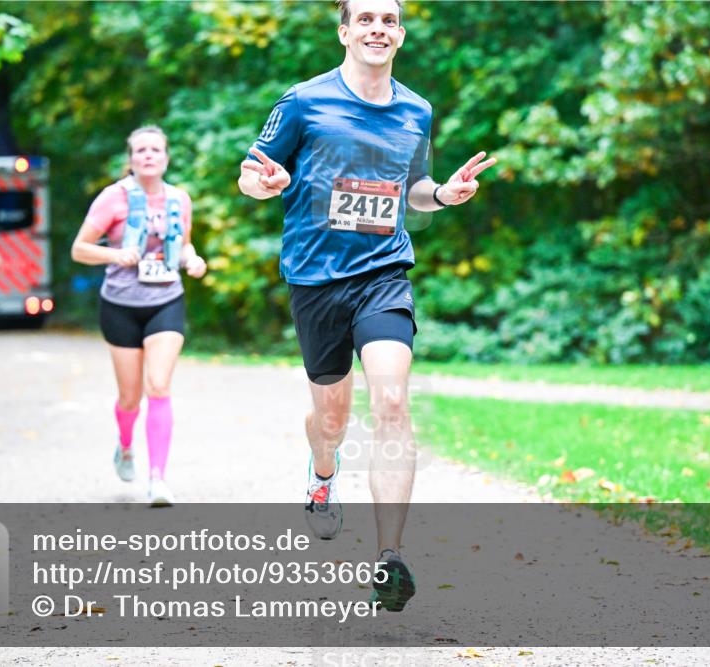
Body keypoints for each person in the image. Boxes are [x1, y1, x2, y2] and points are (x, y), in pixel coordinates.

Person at [238, 0, 495, 612]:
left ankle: (389, 558)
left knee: (392, 400)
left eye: (388, 20)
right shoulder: (302, 101)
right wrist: (265, 183)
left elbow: (413, 191)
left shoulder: (416, 110)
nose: (377, 28)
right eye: (366, 19)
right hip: (315, 278)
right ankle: (322, 474)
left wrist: (445, 194)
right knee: (331, 422)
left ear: (400, 35)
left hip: (383, 273)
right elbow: (250, 174)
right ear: (345, 31)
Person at [71, 125, 207, 506]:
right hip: (120, 304)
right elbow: (79, 249)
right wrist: (115, 255)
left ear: (165, 158)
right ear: (131, 159)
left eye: (155, 150)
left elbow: (183, 245)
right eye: (141, 150)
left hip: (166, 300)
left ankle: (158, 479)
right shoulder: (111, 199)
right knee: (130, 398)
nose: (148, 155)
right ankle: (126, 445)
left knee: (158, 386)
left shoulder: (180, 199)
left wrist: (192, 259)